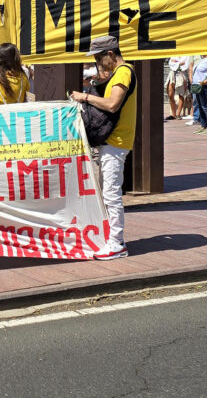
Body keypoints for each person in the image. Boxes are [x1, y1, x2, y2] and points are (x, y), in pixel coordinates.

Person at [68, 36, 135, 258]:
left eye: (98, 58)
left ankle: (117, 243)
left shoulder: (124, 72)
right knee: (108, 192)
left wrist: (85, 97)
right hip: (112, 141)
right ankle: (112, 238)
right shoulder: (119, 73)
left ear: (110, 54)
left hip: (116, 141)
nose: (97, 63)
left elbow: (113, 105)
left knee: (111, 194)